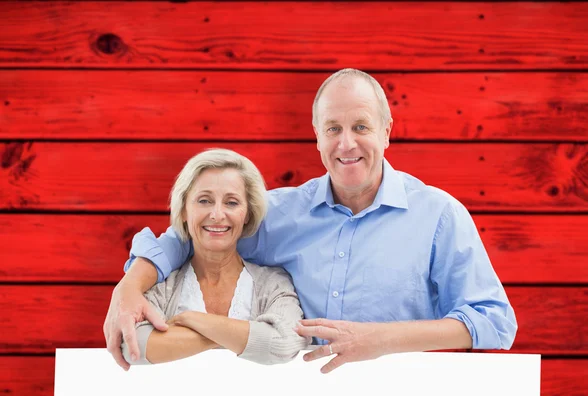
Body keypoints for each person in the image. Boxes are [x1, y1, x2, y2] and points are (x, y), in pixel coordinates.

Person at [104, 68, 517, 374]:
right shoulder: (278, 212)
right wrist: (129, 287)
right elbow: (195, 232)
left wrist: (381, 339)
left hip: (399, 388)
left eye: (361, 127)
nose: (346, 143)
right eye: (333, 128)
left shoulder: (439, 216)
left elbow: (495, 322)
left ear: (387, 131)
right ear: (316, 135)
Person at [118, 148, 310, 365]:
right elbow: (134, 346)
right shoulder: (161, 282)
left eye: (231, 202)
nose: (217, 215)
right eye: (204, 201)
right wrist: (233, 336)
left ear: (247, 214)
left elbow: (282, 344)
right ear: (183, 211)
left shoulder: (273, 283)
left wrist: (192, 321)